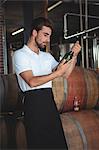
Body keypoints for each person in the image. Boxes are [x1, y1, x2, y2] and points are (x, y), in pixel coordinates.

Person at [13, 17, 81, 149]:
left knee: (58, 144)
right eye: (45, 35)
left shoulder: (47, 56)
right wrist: (57, 73)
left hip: (49, 103)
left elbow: (65, 73)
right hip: (33, 105)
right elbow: (31, 82)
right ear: (34, 33)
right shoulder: (20, 54)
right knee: (39, 144)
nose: (48, 40)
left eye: (49, 36)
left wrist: (73, 55)